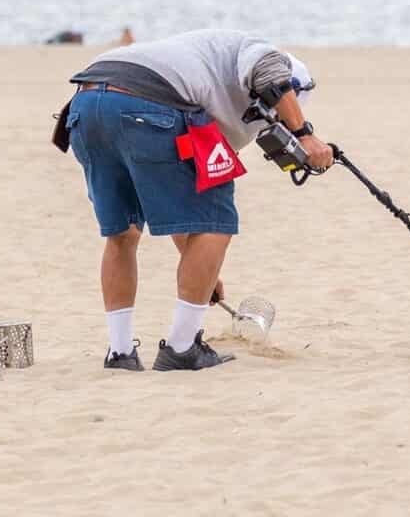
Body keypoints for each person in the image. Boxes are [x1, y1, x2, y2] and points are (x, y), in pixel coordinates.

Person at [64, 29, 333, 372]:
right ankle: (181, 348)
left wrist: (202, 275)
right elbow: (271, 73)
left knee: (123, 231)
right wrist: (304, 135)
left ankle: (120, 354)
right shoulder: (264, 56)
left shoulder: (207, 66)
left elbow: (183, 202)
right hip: (148, 104)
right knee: (217, 221)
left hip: (87, 105)